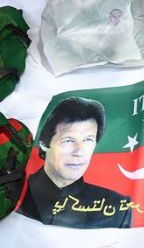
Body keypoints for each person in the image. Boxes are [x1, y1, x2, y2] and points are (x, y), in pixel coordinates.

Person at [18, 97, 132, 228]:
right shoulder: (16, 191)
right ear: (44, 144)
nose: (79, 151)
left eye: (88, 140)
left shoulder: (119, 207)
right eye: (68, 140)